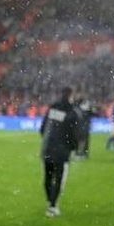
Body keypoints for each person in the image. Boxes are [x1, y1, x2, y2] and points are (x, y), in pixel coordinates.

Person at [39, 87, 80, 217]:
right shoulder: (72, 112)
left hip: (48, 148)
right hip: (62, 150)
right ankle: (52, 205)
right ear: (71, 96)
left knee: (48, 177)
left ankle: (49, 201)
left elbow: (42, 128)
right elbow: (74, 133)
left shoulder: (52, 108)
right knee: (59, 178)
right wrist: (73, 148)